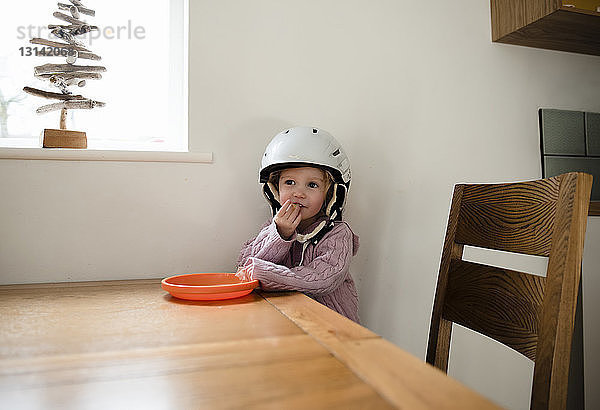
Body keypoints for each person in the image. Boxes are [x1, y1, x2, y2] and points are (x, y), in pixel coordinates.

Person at [236, 126, 360, 323]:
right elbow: (245, 265)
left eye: (312, 185)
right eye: (290, 183)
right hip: (286, 325)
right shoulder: (273, 228)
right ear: (274, 190)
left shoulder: (338, 234)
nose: (298, 193)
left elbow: (323, 278)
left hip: (334, 330)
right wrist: (279, 235)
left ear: (330, 194)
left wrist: (269, 276)